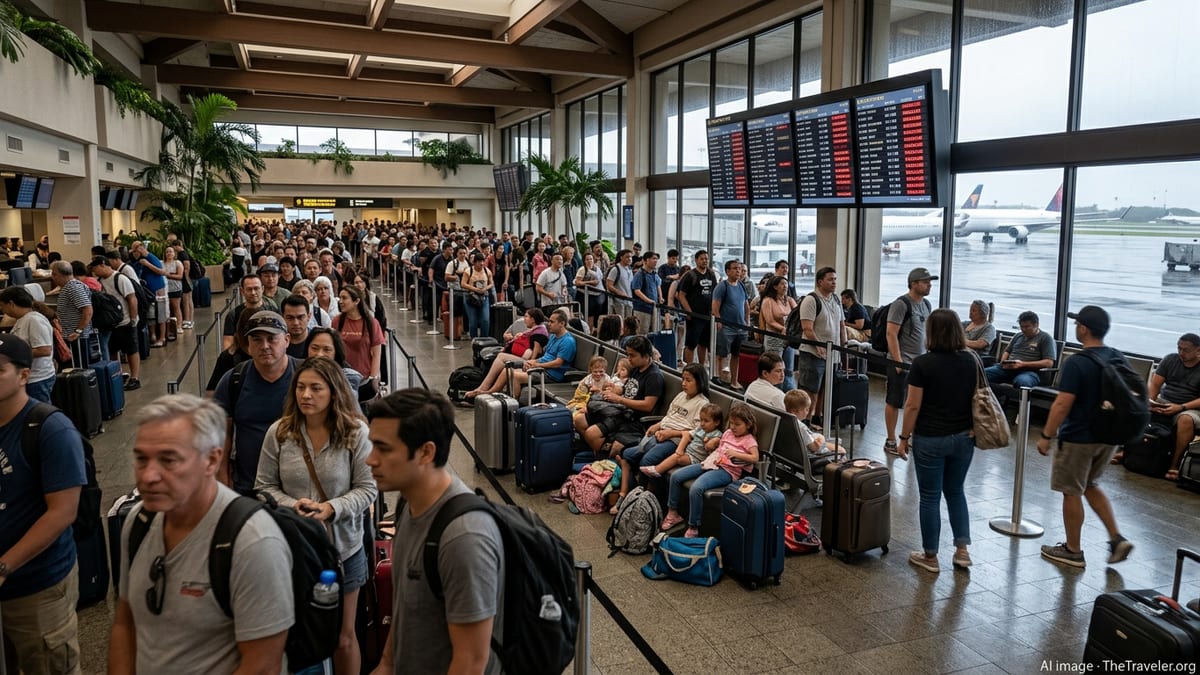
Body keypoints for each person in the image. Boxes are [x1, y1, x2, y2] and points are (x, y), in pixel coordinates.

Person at [107, 394, 293, 675]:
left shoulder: (252, 542)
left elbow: (262, 665)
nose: (148, 476)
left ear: (212, 460)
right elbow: (125, 623)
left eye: (168, 460)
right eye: (141, 459)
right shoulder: (139, 521)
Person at [365, 389, 503, 675]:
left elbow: (471, 661)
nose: (370, 459)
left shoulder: (464, 537)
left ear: (426, 452)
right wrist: (387, 664)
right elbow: (404, 603)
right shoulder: (408, 502)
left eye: (384, 448)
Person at [255, 358, 377, 675]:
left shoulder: (355, 432)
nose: (306, 395)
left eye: (315, 388)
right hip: (293, 550)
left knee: (344, 638)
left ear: (333, 391)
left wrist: (331, 508)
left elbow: (368, 489)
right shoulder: (280, 433)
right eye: (300, 387)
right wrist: (292, 506)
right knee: (295, 632)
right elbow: (264, 486)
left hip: (344, 549)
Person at [0, 334, 87, 675]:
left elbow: (63, 512)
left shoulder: (50, 428)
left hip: (37, 587)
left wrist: (5, 566)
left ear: (24, 376)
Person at [1035, 306, 1134, 569]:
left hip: (1080, 437)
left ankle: (1073, 550)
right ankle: (1116, 537)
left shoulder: (1077, 362)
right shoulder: (1116, 356)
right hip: (1109, 436)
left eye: (1078, 323)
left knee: (1071, 491)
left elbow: (1062, 404)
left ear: (1084, 329)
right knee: (1090, 484)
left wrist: (1047, 435)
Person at [894, 309, 978, 574]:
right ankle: (962, 550)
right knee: (956, 492)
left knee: (930, 497)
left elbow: (912, 406)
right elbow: (978, 398)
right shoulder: (971, 360)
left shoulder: (923, 364)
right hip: (964, 436)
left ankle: (930, 556)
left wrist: (904, 437)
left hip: (930, 437)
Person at [213, 311, 300, 494]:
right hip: (248, 488)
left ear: (287, 340)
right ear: (248, 346)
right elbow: (221, 437)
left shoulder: (305, 378)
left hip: (299, 490)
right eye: (257, 340)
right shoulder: (234, 381)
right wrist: (223, 482)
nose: (265, 346)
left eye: (271, 338)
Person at [660, 402, 761, 538]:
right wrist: (712, 442)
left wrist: (736, 454)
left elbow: (755, 458)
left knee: (697, 488)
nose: (733, 427)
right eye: (731, 423)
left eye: (737, 424)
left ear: (748, 425)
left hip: (727, 471)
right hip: (711, 462)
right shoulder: (728, 433)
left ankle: (693, 526)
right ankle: (673, 513)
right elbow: (720, 446)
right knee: (676, 476)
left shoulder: (749, 440)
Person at [616, 363, 711, 508]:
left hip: (677, 441)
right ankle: (632, 493)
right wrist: (658, 425)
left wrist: (671, 433)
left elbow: (698, 431)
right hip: (662, 434)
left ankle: (647, 500)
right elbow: (669, 416)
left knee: (646, 462)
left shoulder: (703, 404)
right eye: (683, 379)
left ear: (700, 381)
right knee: (626, 454)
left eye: (689, 380)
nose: (684, 384)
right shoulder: (681, 396)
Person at [576, 335, 664, 460]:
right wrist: (614, 390)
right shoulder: (636, 369)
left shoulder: (654, 377)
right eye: (628, 354)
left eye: (632, 355)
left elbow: (648, 406)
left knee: (591, 434)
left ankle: (605, 458)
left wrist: (619, 399)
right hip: (620, 410)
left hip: (632, 419)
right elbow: (627, 389)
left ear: (645, 356)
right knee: (578, 419)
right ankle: (599, 452)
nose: (629, 359)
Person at [467, 309, 576, 400]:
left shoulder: (567, 341)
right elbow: (545, 356)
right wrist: (534, 362)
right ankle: (494, 395)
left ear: (561, 324)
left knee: (514, 375)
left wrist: (537, 365)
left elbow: (557, 363)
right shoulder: (553, 336)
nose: (549, 324)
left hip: (551, 375)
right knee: (507, 371)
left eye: (552, 322)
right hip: (541, 368)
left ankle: (491, 394)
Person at [884, 268, 935, 456]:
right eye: (925, 281)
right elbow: (891, 333)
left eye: (930, 281)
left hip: (919, 363)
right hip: (902, 361)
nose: (929, 285)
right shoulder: (901, 304)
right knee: (895, 400)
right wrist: (898, 361)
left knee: (915, 402)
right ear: (913, 283)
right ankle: (890, 439)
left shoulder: (927, 304)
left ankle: (909, 436)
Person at [1147, 333, 1200, 480]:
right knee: (1138, 405)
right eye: (1179, 348)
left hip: (1190, 407)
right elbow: (1156, 384)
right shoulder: (1170, 359)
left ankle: (1174, 464)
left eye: (1186, 350)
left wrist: (1181, 407)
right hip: (1166, 399)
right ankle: (1130, 451)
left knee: (1185, 420)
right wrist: (1150, 402)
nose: (1181, 353)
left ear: (1198, 351)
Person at [796, 267, 846, 422]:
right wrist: (818, 344)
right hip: (812, 353)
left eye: (835, 279)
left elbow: (841, 324)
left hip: (833, 353)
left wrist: (843, 345)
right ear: (820, 281)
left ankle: (818, 416)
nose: (834, 282)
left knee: (826, 386)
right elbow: (807, 327)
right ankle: (805, 419)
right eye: (830, 279)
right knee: (810, 388)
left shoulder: (836, 299)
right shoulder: (811, 300)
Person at [89, 257, 143, 390]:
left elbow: (132, 298)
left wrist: (133, 318)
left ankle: (135, 377)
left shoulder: (120, 278)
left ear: (102, 265)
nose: (94, 272)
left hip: (125, 321)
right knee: (113, 350)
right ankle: (117, 374)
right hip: (110, 323)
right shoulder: (100, 281)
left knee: (131, 350)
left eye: (95, 268)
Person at [0, 286, 57, 401]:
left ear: (11, 304)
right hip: (30, 377)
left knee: (38, 415)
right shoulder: (23, 319)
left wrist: (16, 356)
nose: (2, 310)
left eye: (2, 306)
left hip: (38, 379)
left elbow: (44, 350)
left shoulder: (34, 320)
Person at [642, 402, 724, 479]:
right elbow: (687, 434)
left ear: (716, 422)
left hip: (697, 459)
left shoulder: (717, 434)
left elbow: (711, 446)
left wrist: (709, 441)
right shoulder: (700, 429)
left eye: (706, 421)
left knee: (677, 457)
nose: (702, 423)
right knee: (675, 453)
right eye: (701, 420)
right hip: (688, 452)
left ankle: (657, 470)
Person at [334, 286, 385, 398]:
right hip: (342, 378)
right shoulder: (337, 321)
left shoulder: (371, 323)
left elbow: (377, 354)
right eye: (340, 298)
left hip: (364, 378)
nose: (340, 301)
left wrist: (373, 378)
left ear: (356, 301)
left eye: (344, 298)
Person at [984, 310, 1056, 389]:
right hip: (1008, 369)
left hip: (1030, 372)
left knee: (1022, 382)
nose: (1024, 330)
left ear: (1036, 325)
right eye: (1022, 327)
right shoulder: (1018, 336)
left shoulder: (1045, 338)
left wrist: (1022, 364)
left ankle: (1019, 399)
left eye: (1027, 327)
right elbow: (1007, 351)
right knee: (980, 374)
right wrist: (1003, 362)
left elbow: (1049, 363)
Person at [712, 259, 749, 389]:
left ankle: (734, 381)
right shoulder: (722, 286)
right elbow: (715, 306)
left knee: (737, 355)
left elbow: (746, 305)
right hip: (726, 327)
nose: (738, 271)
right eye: (734, 268)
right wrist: (719, 320)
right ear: (727, 271)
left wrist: (747, 322)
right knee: (722, 355)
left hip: (741, 327)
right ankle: (721, 379)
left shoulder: (741, 285)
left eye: (739, 268)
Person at [48, 259, 94, 364]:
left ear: (58, 275)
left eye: (54, 274)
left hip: (76, 337)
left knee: (78, 369)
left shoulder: (73, 288)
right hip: (72, 335)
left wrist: (78, 331)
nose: (53, 278)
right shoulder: (70, 286)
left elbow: (87, 310)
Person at [759, 275, 797, 392]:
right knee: (775, 368)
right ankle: (774, 392)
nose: (785, 286)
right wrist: (782, 329)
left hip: (788, 338)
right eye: (782, 284)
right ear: (775, 286)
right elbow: (770, 321)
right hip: (774, 338)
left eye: (786, 284)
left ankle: (788, 394)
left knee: (788, 369)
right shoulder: (768, 301)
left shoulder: (790, 300)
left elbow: (797, 316)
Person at [130, 241, 169, 348]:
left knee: (160, 315)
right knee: (150, 315)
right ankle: (153, 336)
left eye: (135, 250)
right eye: (132, 251)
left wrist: (147, 264)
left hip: (157, 290)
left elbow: (162, 272)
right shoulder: (136, 262)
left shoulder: (151, 258)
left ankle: (162, 338)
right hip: (146, 292)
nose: (134, 253)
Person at [222, 274, 275, 351]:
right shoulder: (233, 315)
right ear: (242, 291)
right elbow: (228, 343)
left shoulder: (272, 310)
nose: (253, 292)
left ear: (262, 289)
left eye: (256, 288)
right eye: (249, 289)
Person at [307, 327, 364, 392]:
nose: (319, 354)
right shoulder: (300, 371)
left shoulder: (348, 377)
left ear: (336, 352)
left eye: (327, 350)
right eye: (314, 348)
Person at [461, 253, 493, 339]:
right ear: (474, 262)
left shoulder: (487, 271)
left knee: (485, 320)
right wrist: (474, 289)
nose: (481, 263)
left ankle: (484, 339)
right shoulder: (468, 271)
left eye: (483, 261)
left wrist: (485, 288)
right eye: (479, 261)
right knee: (473, 321)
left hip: (483, 297)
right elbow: (463, 284)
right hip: (471, 298)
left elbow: (491, 283)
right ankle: (474, 339)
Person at [631, 251, 663, 332]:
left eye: (656, 259)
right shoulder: (639, 274)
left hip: (654, 308)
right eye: (653, 259)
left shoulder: (655, 274)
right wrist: (649, 301)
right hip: (642, 308)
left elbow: (658, 285)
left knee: (654, 332)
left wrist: (661, 297)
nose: (655, 261)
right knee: (642, 331)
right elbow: (637, 291)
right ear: (645, 261)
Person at [575, 252, 606, 329]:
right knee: (589, 315)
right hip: (586, 295)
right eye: (587, 259)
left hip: (598, 294)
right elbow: (577, 282)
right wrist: (590, 282)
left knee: (597, 314)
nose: (589, 261)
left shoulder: (597, 269)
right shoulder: (582, 270)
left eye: (591, 259)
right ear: (584, 261)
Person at [280, 294, 313, 359]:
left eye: (300, 317)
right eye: (290, 318)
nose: (296, 323)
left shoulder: (317, 340)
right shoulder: (277, 342)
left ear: (309, 316)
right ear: (282, 317)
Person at [605, 249, 634, 318]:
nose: (629, 259)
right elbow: (609, 285)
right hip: (618, 302)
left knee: (627, 323)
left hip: (629, 301)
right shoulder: (616, 269)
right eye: (627, 257)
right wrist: (619, 292)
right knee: (619, 323)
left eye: (631, 257)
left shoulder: (629, 270)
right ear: (621, 257)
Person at [163, 246, 184, 335]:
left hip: (175, 288)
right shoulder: (161, 263)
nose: (169, 253)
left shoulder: (177, 263)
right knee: (168, 309)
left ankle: (179, 325)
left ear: (174, 253)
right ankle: (170, 327)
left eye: (171, 252)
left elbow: (180, 276)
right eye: (167, 252)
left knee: (176, 307)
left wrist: (168, 275)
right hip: (165, 289)